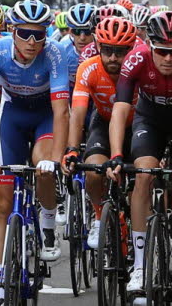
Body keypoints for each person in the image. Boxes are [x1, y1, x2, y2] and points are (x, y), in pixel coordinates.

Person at [108, 10, 172, 303]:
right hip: (150, 120)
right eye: (162, 52)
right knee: (143, 176)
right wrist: (117, 154)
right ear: (151, 46)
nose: (168, 58)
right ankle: (140, 266)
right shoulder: (136, 59)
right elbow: (120, 111)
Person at [0, 0, 69, 302]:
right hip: (13, 114)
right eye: (25, 34)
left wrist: (56, 160)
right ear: (12, 31)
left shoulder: (55, 53)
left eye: (39, 35)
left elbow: (61, 111)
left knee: (42, 163)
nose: (32, 42)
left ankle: (46, 224)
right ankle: (0, 282)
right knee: (3, 204)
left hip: (44, 115)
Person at [62, 16, 138, 250]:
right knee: (94, 170)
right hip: (103, 123)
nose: (113, 58)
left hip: (138, 126)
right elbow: (78, 112)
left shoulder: (139, 65)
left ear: (131, 49)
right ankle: (98, 216)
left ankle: (139, 228)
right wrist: (73, 149)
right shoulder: (89, 68)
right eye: (107, 50)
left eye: (120, 51)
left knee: (143, 179)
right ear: (97, 46)